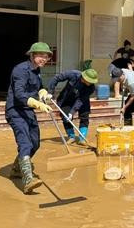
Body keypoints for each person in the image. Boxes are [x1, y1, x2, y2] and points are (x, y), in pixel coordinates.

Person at [5, 42, 53, 194]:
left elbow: (38, 87)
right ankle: (28, 180)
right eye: (40, 56)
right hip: (16, 110)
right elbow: (19, 94)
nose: (43, 59)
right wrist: (37, 104)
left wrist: (43, 92)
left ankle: (16, 169)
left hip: (28, 110)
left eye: (45, 57)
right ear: (32, 55)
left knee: (35, 143)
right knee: (25, 142)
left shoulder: (36, 70)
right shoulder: (20, 70)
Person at [47, 68, 98, 143]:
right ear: (84, 78)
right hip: (67, 99)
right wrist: (50, 92)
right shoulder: (73, 74)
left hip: (82, 100)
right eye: (89, 81)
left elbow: (80, 100)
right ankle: (71, 136)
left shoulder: (91, 88)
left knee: (84, 117)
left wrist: (72, 112)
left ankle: (82, 138)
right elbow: (56, 78)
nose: (90, 83)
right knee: (66, 116)